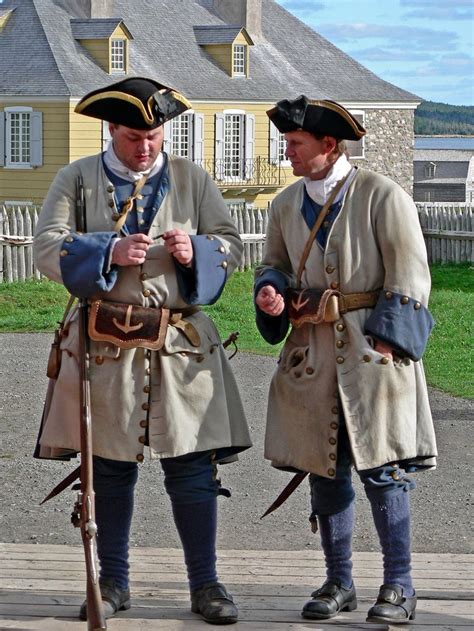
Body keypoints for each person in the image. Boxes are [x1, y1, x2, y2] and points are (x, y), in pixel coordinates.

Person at [33, 76, 252, 625]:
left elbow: (230, 243)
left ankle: (206, 585)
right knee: (107, 470)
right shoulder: (76, 177)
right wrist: (109, 249)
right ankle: (113, 582)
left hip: (181, 347)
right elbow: (45, 246)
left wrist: (195, 250)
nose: (146, 146)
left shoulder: (193, 179)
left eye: (154, 134)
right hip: (104, 347)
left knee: (193, 469)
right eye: (134, 136)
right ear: (112, 130)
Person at [254, 96, 437, 624]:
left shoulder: (382, 195)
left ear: (329, 146)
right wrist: (270, 293)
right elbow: (274, 267)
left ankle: (399, 586)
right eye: (287, 143)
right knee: (324, 470)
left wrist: (388, 346)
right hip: (312, 356)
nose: (286, 152)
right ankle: (339, 583)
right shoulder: (285, 205)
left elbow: (411, 275)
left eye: (295, 144)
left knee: (385, 472)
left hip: (372, 356)